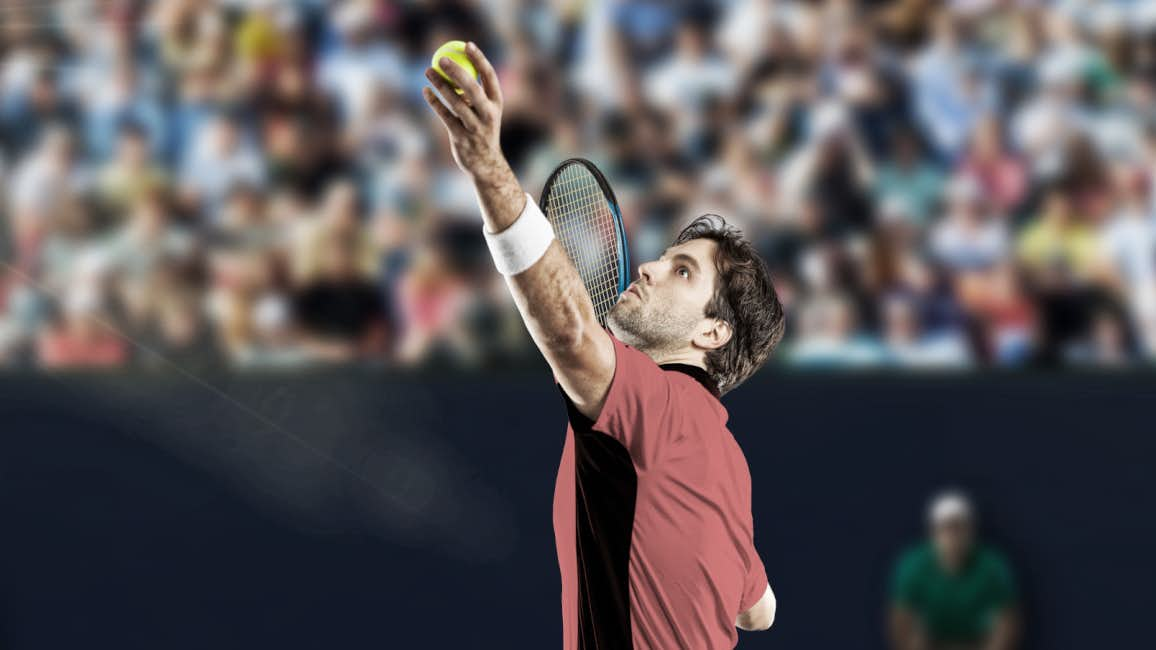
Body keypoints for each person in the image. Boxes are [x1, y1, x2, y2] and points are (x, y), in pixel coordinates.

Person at [422, 44, 783, 648]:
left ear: (712, 333)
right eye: (665, 259)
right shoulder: (727, 463)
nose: (648, 268)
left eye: (683, 272)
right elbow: (759, 610)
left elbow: (569, 333)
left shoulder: (661, 410)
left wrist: (487, 165)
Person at [889, 491, 1020, 650]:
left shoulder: (993, 565)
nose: (953, 538)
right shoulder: (912, 565)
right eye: (946, 529)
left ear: (971, 532)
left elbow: (1007, 621)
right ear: (933, 534)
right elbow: (900, 620)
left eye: (960, 528)